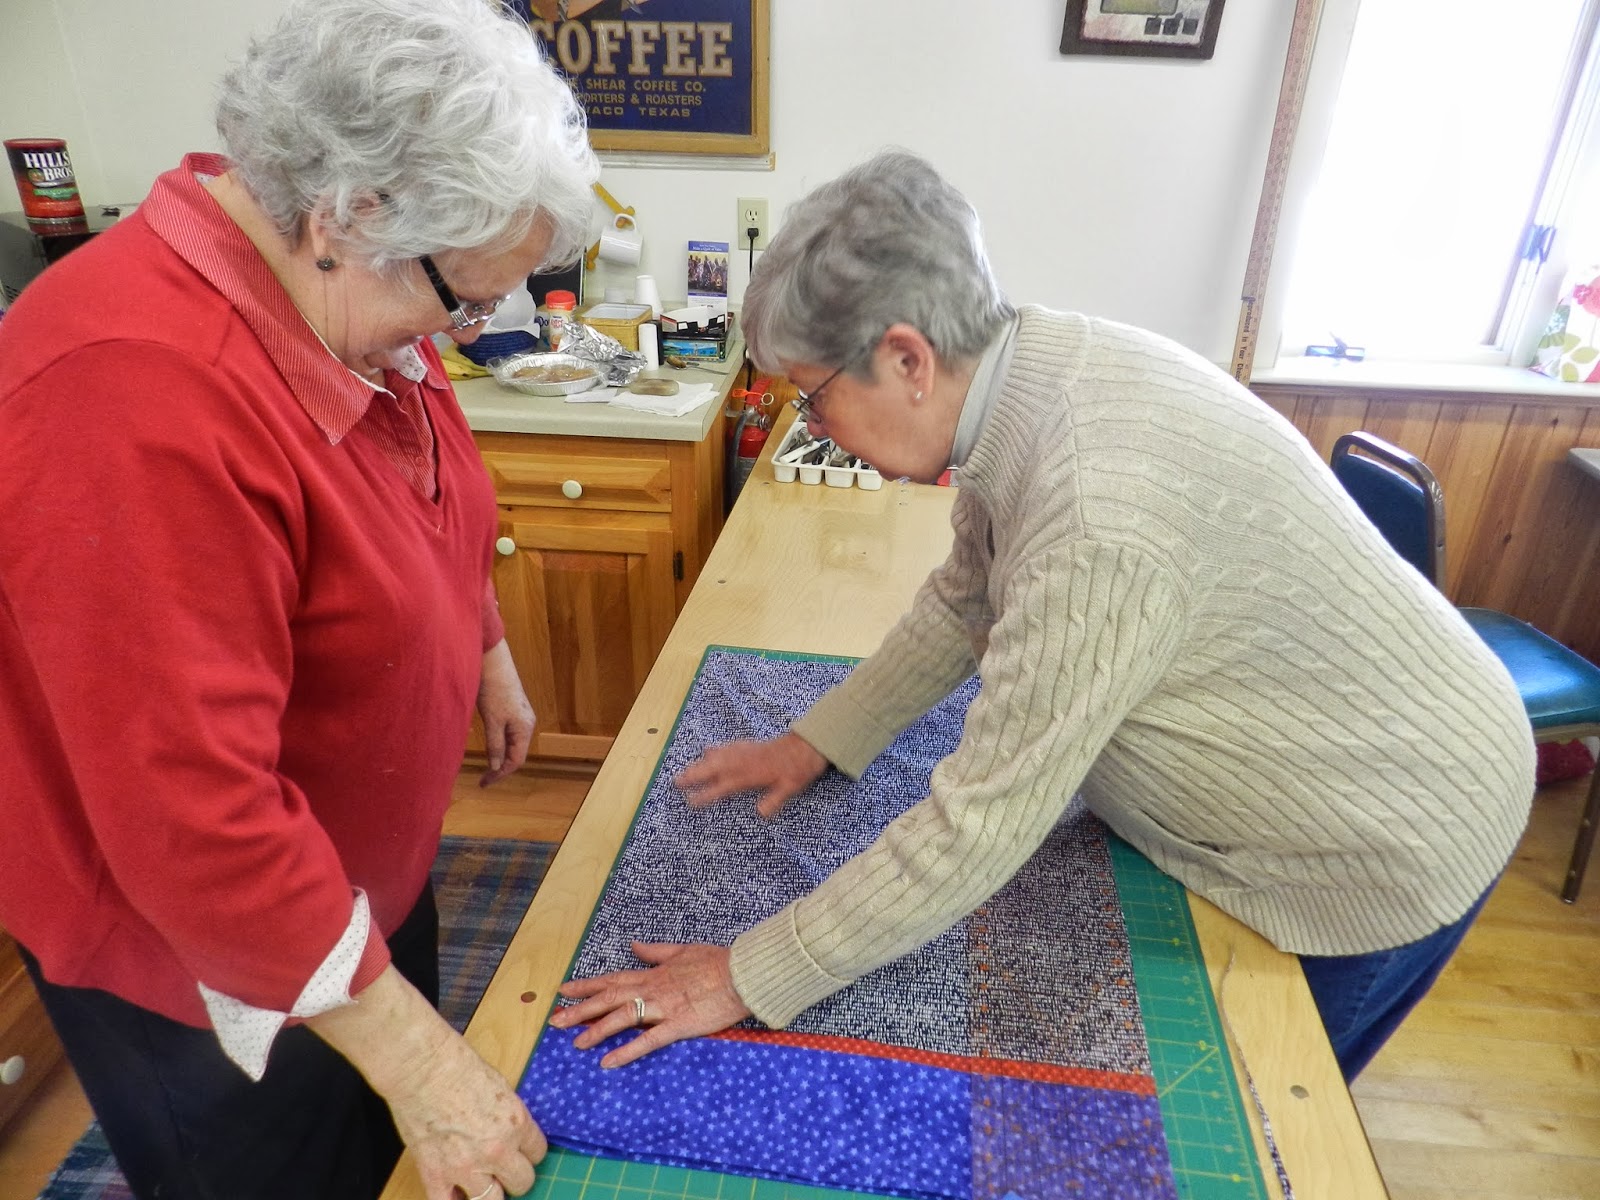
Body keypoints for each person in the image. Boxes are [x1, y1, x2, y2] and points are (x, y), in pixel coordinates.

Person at [553, 149, 1536, 1083]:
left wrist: (746, 973)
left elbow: (979, 825)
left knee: (1262, 1122)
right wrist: (817, 742)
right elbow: (965, 597)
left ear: (906, 359)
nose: (813, 430)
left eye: (811, 399)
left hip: (1387, 832)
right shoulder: (1027, 376)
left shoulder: (1095, 515)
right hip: (1341, 758)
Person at [0, 1, 598, 1198]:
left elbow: (424, 474)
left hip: (351, 883)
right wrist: (418, 1060)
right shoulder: (126, 396)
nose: (467, 331)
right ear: (349, 215)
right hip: (204, 956)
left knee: (378, 1152)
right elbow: (191, 817)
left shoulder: (344, 293)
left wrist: (479, 644)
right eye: (463, 302)